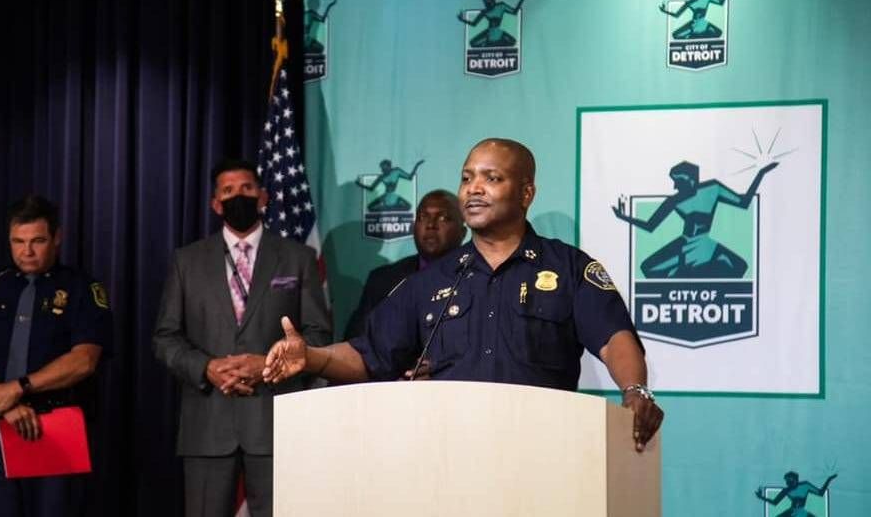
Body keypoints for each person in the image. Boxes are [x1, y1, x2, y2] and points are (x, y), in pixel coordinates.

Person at [264, 138, 664, 451]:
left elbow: (614, 338)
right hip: (448, 453)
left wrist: (635, 389)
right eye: (467, 177)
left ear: (526, 193)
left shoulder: (568, 268)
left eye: (492, 179)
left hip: (544, 449)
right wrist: (311, 357)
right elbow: (370, 354)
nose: (474, 188)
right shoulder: (431, 281)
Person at [153, 159, 330, 517]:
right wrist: (207, 368)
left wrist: (268, 364)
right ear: (216, 204)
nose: (239, 196)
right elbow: (165, 337)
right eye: (228, 191)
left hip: (275, 423)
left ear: (263, 196)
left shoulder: (298, 257)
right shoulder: (187, 261)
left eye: (247, 188)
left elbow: (318, 333)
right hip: (208, 424)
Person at [0, 194, 112, 517]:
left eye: (37, 241)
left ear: (57, 238)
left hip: (58, 427)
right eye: (18, 241)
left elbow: (84, 360)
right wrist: (2, 401)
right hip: (0, 426)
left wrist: (18, 388)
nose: (27, 251)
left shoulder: (82, 288)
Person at [612, 160, 778, 278]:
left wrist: (760, 174)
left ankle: (693, 271)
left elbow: (743, 202)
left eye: (677, 181)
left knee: (740, 267)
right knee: (648, 268)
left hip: (705, 243)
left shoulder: (713, 188)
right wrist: (623, 217)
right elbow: (650, 225)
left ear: (690, 179)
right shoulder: (674, 200)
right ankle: (682, 273)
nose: (674, 186)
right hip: (684, 243)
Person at [344, 189, 466, 341]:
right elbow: (356, 341)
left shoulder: (477, 278)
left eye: (443, 218)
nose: (430, 225)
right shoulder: (382, 280)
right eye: (422, 217)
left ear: (462, 232)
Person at [659, 0, 737, 39]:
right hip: (693, 25)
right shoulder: (689, 3)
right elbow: (677, 15)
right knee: (676, 35)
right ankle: (692, 36)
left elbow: (720, 2)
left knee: (718, 33)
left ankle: (699, 36)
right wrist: (664, 11)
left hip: (704, 23)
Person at [457, 0, 530, 48]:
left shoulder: (501, 6)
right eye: (486, 3)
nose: (487, 5)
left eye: (489, 3)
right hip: (489, 32)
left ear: (493, 1)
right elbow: (474, 24)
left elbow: (514, 12)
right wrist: (462, 20)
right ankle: (489, 44)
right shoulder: (484, 11)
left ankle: (496, 44)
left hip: (498, 32)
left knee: (513, 42)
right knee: (472, 43)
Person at [755, 471, 837, 517]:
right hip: (792, 512)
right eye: (786, 481)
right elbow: (775, 502)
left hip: (802, 512)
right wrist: (761, 497)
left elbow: (820, 493)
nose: (787, 483)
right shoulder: (786, 490)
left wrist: (829, 480)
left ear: (795, 479)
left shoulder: (805, 485)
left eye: (789, 480)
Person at [355, 159, 424, 211]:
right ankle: (388, 207)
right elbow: (371, 188)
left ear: (389, 166)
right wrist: (359, 184)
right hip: (386, 196)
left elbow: (409, 177)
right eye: (382, 169)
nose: (383, 170)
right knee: (369, 207)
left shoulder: (397, 171)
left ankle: (390, 208)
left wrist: (417, 165)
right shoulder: (382, 177)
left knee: (409, 206)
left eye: (385, 168)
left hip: (395, 196)